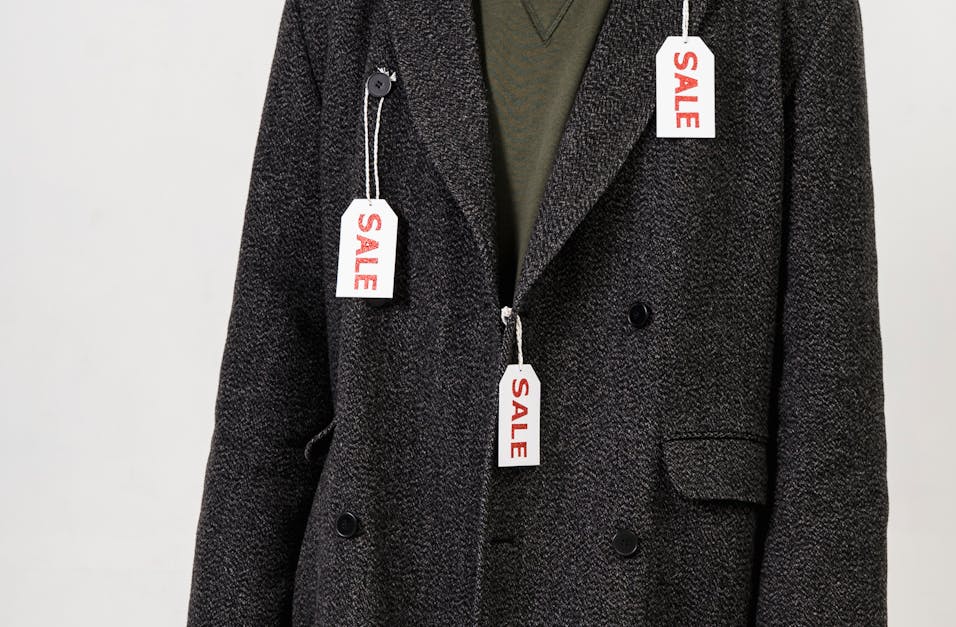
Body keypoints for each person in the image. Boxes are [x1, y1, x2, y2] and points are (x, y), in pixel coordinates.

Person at [188, 0, 887, 624]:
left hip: (661, 576)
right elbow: (270, 378)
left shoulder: (790, 13)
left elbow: (831, 419)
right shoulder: (341, 13)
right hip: (384, 561)